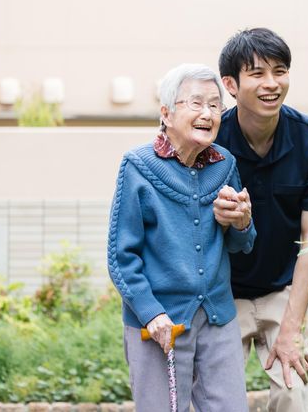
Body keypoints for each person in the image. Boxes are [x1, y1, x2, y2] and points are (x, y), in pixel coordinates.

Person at [214, 28, 308, 411]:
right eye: (257, 73)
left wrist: (292, 329)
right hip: (222, 292)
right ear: (231, 84)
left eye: (280, 71)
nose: (271, 83)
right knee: (214, 399)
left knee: (295, 393)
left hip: (285, 291)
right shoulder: (210, 142)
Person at [108, 63, 256, 412]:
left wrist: (242, 223)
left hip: (217, 316)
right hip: (160, 322)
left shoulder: (225, 164)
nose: (208, 113)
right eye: (196, 103)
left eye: (215, 105)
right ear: (166, 114)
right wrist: (150, 313)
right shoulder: (137, 166)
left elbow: (241, 244)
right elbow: (121, 257)